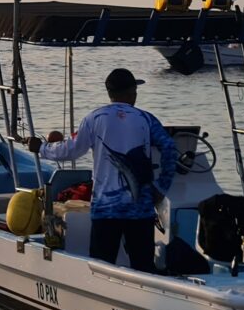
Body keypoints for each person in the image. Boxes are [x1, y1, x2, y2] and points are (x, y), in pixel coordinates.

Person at [27, 67, 179, 273]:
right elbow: (170, 148)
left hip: (106, 209)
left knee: (101, 266)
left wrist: (42, 148)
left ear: (110, 93)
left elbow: (70, 150)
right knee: (143, 267)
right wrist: (161, 187)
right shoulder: (146, 119)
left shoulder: (94, 118)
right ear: (132, 92)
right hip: (140, 208)